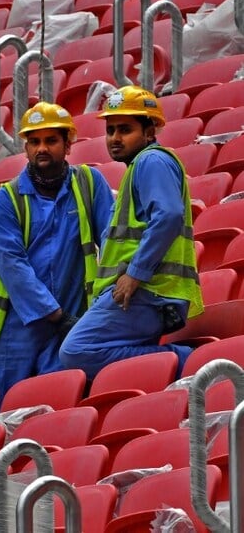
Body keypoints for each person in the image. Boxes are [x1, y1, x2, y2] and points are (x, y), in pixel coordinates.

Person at [0, 101, 114, 407]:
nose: (42, 149)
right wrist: (58, 316)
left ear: (68, 144)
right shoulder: (5, 200)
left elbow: (115, 242)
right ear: (25, 148)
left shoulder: (90, 184)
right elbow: (13, 268)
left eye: (51, 140)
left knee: (59, 404)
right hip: (11, 327)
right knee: (5, 410)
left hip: (69, 316)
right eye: (34, 141)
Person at [60, 85, 203, 378]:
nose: (114, 138)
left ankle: (184, 360)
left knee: (76, 349)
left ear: (149, 132)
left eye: (125, 129)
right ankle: (165, 371)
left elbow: (169, 215)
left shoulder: (152, 160)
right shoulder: (138, 167)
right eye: (110, 130)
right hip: (142, 293)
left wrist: (135, 274)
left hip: (148, 292)